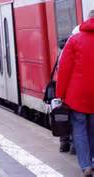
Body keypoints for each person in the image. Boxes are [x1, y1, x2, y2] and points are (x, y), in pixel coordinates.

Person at [56, 10, 94, 177]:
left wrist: (60, 94)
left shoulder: (74, 40)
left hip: (77, 95)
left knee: (79, 129)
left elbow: (64, 70)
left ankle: (86, 166)